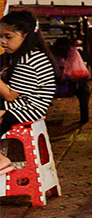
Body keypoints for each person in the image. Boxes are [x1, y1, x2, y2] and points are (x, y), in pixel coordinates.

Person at [0, 10, 56, 174]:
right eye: (1, 37)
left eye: (8, 37)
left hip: (27, 109)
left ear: (26, 35)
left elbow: (10, 95)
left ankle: (2, 160)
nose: (3, 42)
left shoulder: (30, 60)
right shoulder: (24, 56)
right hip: (19, 105)